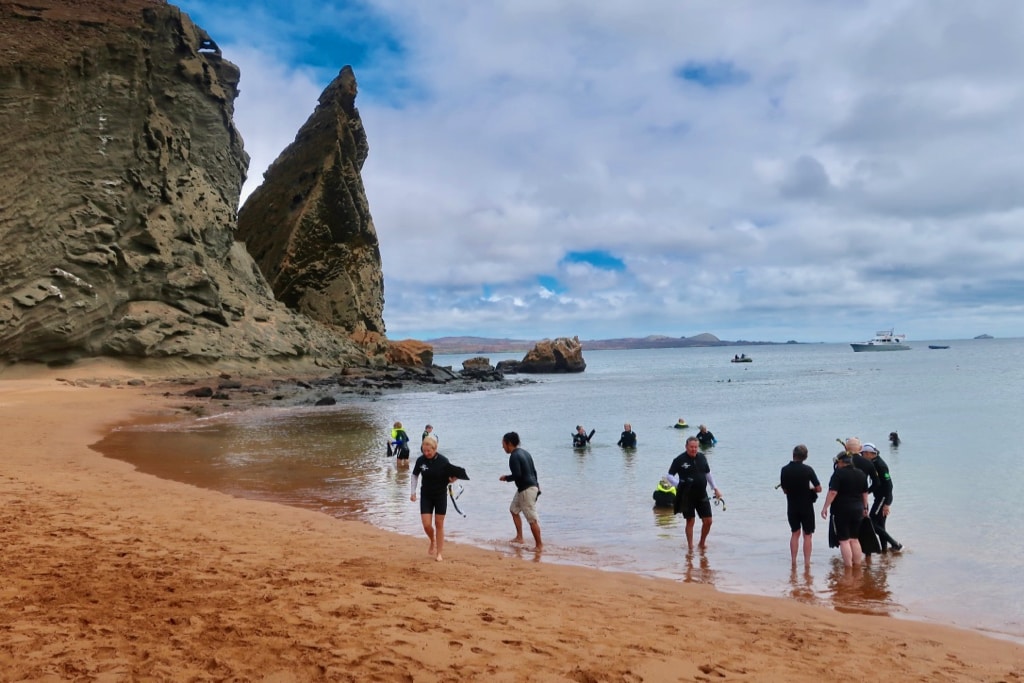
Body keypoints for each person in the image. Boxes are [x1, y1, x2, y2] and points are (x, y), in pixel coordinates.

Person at [668, 436, 723, 550]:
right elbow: (669, 476)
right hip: (687, 495)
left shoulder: (702, 457)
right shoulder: (679, 460)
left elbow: (708, 474)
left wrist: (715, 488)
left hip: (702, 494)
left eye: (696, 447)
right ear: (686, 447)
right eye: (691, 447)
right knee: (690, 521)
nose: (693, 449)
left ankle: (702, 543)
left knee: (708, 521)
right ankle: (690, 547)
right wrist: (679, 484)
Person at [409, 435, 459, 561]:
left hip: (440, 495)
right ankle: (432, 540)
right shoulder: (421, 460)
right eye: (424, 451)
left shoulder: (444, 461)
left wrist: (453, 479)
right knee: (426, 524)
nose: (426, 453)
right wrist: (413, 492)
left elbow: (450, 478)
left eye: (429, 451)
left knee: (439, 524)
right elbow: (414, 476)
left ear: (435, 448)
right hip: (426, 494)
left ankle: (439, 553)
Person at [820, 450, 869, 567]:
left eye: (838, 462)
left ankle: (848, 567)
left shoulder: (838, 474)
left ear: (841, 462)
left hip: (841, 510)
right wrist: (865, 507)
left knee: (844, 540)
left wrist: (825, 507)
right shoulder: (861, 473)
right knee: (855, 539)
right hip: (858, 509)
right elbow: (865, 493)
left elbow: (833, 492)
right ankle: (857, 566)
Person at [499, 432, 542, 549]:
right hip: (529, 487)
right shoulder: (525, 453)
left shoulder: (514, 456)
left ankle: (539, 546)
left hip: (526, 490)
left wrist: (506, 478)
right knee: (514, 509)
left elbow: (517, 475)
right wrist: (537, 487)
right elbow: (534, 471)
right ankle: (519, 537)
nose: (502, 447)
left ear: (509, 443)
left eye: (503, 444)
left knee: (532, 519)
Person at [780, 444, 822, 565]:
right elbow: (819, 488)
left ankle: (793, 561)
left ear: (793, 455)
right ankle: (807, 563)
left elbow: (785, 490)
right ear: (805, 457)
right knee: (807, 535)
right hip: (807, 506)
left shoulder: (784, 469)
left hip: (792, 505)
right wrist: (810, 489)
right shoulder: (808, 470)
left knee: (795, 533)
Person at [860, 443, 902, 552]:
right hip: (879, 497)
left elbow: (889, 484)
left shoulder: (880, 465)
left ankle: (895, 543)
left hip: (883, 498)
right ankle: (884, 550)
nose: (862, 456)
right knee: (881, 525)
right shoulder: (873, 462)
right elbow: (876, 484)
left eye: (863, 454)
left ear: (869, 453)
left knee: (872, 523)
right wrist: (867, 492)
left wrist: (887, 503)